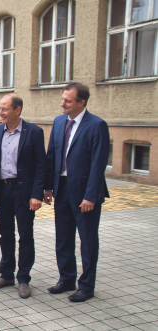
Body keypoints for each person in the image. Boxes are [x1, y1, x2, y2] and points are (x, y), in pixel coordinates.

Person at [44, 82, 110, 302]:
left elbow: (98, 164)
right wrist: (47, 186)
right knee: (63, 238)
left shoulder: (97, 125)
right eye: (63, 99)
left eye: (68, 101)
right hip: (61, 190)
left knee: (88, 240)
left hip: (84, 194)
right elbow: (51, 155)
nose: (62, 104)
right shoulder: (59, 121)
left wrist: (91, 196)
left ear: (81, 103)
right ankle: (67, 279)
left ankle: (87, 286)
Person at [0, 93, 47, 299]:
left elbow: (40, 166)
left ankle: (24, 279)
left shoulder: (34, 132)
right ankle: (7, 274)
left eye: (4, 109)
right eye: (0, 109)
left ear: (17, 110)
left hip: (24, 193)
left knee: (25, 236)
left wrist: (37, 194)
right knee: (6, 234)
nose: (0, 113)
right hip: (2, 190)